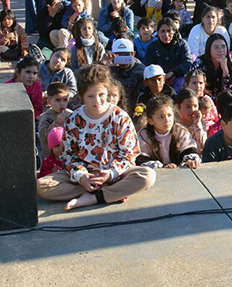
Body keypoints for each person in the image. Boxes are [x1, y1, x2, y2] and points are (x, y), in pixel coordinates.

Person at [36, 64, 156, 210]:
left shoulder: (120, 117)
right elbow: (68, 155)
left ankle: (93, 197)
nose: (97, 101)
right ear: (82, 97)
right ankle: (108, 192)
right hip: (86, 175)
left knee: (147, 176)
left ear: (107, 92)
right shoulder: (74, 119)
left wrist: (110, 174)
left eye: (101, 95)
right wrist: (81, 176)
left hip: (115, 174)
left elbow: (129, 154)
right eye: (90, 96)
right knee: (42, 186)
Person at [136, 95, 201, 169]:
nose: (167, 120)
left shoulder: (181, 131)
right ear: (150, 121)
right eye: (161, 117)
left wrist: (190, 160)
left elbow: (189, 149)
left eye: (169, 115)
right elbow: (141, 159)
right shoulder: (143, 135)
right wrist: (162, 167)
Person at [144, 18, 192, 91]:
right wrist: (160, 76)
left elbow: (188, 63)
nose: (166, 34)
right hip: (157, 80)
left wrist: (173, 73)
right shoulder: (152, 47)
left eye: (169, 31)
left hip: (178, 79)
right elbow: (148, 65)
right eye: (163, 31)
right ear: (158, 32)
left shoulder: (182, 45)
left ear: (174, 32)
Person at [190, 33, 232, 101]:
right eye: (216, 47)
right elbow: (194, 87)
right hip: (203, 100)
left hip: (223, 101)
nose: (221, 50)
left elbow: (231, 91)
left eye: (223, 47)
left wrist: (225, 72)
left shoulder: (231, 63)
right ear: (209, 49)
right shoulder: (199, 63)